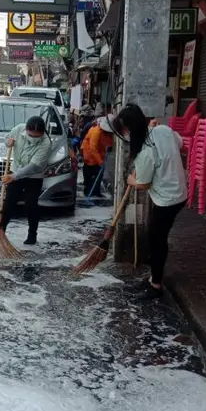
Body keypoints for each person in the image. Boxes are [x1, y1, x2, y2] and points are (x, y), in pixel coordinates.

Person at [117, 103, 188, 298]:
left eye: (125, 129)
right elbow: (180, 144)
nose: (125, 133)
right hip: (179, 192)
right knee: (155, 235)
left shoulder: (145, 152)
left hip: (167, 200)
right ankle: (153, 275)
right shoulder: (163, 130)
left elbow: (144, 184)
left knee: (157, 240)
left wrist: (132, 179)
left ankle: (156, 284)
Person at [0, 116, 52, 246]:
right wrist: (9, 142)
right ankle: (0, 231)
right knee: (9, 202)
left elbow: (34, 166)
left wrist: (13, 177)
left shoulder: (46, 143)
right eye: (30, 135)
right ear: (26, 130)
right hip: (16, 169)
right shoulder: (18, 129)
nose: (33, 138)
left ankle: (32, 235)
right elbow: (6, 139)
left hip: (34, 176)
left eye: (36, 137)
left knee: (31, 204)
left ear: (42, 133)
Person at [81, 115, 115, 198]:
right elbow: (93, 148)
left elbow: (108, 142)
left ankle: (96, 192)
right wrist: (100, 161)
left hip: (98, 154)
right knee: (91, 174)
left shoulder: (105, 133)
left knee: (99, 174)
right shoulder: (96, 132)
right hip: (89, 154)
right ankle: (88, 192)